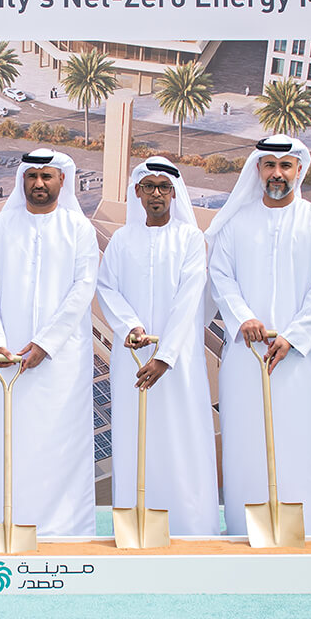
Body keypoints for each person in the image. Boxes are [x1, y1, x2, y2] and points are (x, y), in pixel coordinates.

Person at [208, 136, 311, 537]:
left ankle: (306, 529)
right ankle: (246, 529)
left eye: (286, 166)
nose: (277, 174)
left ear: (299, 170)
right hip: (249, 361)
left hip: (304, 362)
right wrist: (244, 318)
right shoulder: (236, 224)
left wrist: (294, 336)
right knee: (248, 447)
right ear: (258, 170)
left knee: (303, 446)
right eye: (269, 165)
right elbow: (221, 277)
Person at [0, 149, 99, 536]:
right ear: (21, 181)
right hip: (8, 362)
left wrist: (47, 343)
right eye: (32, 176)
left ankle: (65, 531)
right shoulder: (0, 226)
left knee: (60, 445)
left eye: (47, 177)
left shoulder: (79, 230)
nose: (39, 184)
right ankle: (7, 523)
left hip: (61, 362)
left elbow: (83, 289)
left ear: (63, 180)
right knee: (9, 445)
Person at [96, 157, 219, 535]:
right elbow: (106, 289)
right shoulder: (121, 240)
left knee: (181, 438)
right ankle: (135, 524)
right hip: (130, 358)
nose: (155, 194)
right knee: (134, 438)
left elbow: (189, 301)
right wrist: (130, 325)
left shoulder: (189, 240)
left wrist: (165, 356)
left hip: (178, 362)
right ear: (136, 192)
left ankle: (189, 527)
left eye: (163, 187)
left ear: (174, 192)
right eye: (148, 187)